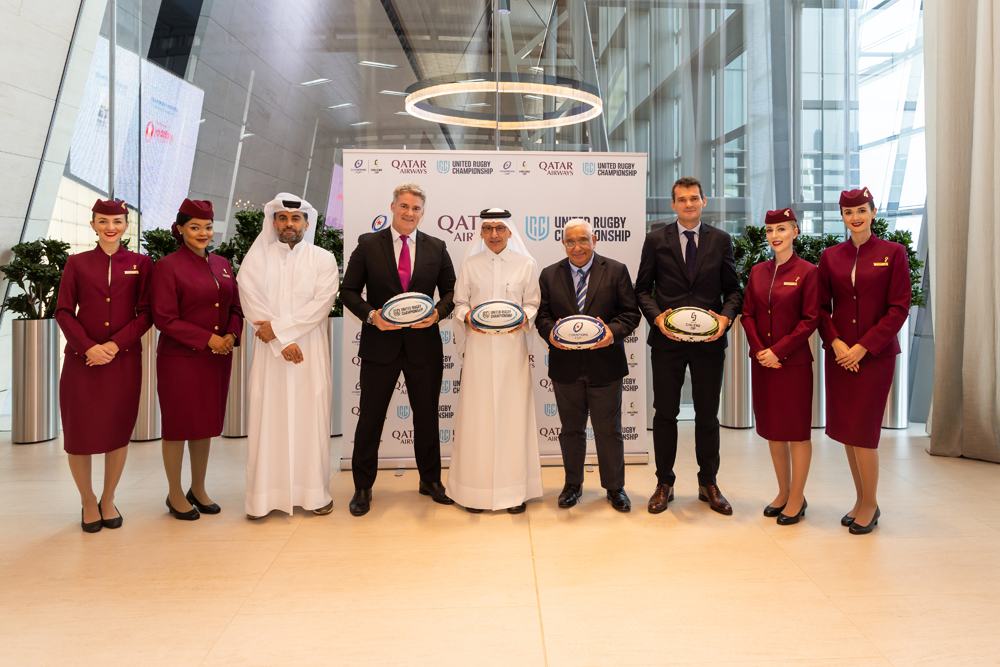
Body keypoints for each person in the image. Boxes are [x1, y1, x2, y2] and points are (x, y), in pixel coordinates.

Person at [340, 182, 456, 516]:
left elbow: (450, 291)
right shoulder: (367, 244)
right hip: (380, 346)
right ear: (392, 207)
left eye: (416, 208)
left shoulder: (437, 246)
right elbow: (348, 291)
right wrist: (372, 316)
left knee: (426, 417)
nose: (409, 213)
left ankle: (431, 481)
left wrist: (438, 313)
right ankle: (363, 488)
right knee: (371, 419)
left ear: (423, 212)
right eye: (404, 206)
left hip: (424, 347)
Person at [634, 176, 743, 515]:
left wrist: (725, 319)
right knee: (665, 413)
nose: (688, 204)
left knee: (708, 415)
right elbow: (642, 290)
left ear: (703, 201)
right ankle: (664, 483)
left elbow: (734, 291)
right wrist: (658, 318)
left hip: (710, 343)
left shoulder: (721, 240)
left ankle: (708, 483)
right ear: (673, 204)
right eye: (682, 199)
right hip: (667, 343)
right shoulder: (655, 240)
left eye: (694, 198)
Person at [237, 194, 340, 519]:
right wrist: (281, 342)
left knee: (310, 421)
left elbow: (321, 306)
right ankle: (263, 499)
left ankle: (314, 494)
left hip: (308, 355)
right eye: (282, 218)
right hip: (272, 358)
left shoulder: (322, 259)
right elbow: (252, 303)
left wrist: (281, 332)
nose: (289, 224)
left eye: (295, 219)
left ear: (306, 224)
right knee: (270, 421)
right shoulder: (257, 259)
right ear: (274, 222)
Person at [54, 199, 153, 532]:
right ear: (93, 224)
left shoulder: (142, 263)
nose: (111, 227)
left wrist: (113, 345)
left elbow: (146, 314)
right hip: (82, 363)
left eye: (118, 221)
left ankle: (108, 497)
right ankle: (87, 500)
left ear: (126, 225)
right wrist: (88, 348)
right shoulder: (77, 263)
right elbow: (64, 311)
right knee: (79, 434)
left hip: (123, 361)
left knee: (117, 431)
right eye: (103, 221)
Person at [818, 187, 910, 535]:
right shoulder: (830, 257)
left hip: (875, 357)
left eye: (860, 210)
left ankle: (870, 505)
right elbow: (820, 308)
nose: (854, 217)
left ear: (873, 212)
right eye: (847, 212)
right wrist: (838, 343)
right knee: (848, 431)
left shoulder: (893, 253)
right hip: (841, 356)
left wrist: (864, 347)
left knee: (865, 432)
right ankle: (860, 500)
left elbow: (899, 307)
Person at [535, 219, 641, 512]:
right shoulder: (548, 274)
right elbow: (541, 316)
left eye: (583, 240)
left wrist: (611, 333)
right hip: (565, 366)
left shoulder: (616, 270)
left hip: (605, 364)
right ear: (563, 243)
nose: (578, 247)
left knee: (609, 429)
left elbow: (630, 314)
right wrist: (551, 335)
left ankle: (615, 488)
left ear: (594, 239)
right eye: (571, 241)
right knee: (571, 430)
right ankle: (572, 484)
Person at [152, 198, 243, 521]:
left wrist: (231, 335)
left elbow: (235, 307)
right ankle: (175, 493)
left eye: (207, 227)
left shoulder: (221, 263)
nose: (203, 233)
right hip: (181, 359)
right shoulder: (167, 266)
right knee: (178, 426)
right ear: (180, 229)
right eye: (194, 227)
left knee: (204, 425)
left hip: (216, 358)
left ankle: (199, 488)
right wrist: (210, 339)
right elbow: (165, 318)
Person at [447, 208, 542, 514]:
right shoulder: (471, 265)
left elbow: (532, 305)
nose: (494, 234)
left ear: (510, 231)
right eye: (488, 228)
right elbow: (459, 303)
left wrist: (522, 318)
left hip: (512, 352)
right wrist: (467, 317)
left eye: (500, 228)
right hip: (478, 351)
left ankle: (514, 493)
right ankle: (474, 493)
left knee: (513, 419)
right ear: (481, 232)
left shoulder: (526, 264)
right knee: (478, 420)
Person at [740, 208, 820, 525]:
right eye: (771, 231)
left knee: (797, 433)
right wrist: (760, 350)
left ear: (795, 232)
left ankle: (798, 497)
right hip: (764, 364)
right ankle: (783, 491)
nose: (775, 236)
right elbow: (747, 314)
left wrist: (779, 351)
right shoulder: (758, 271)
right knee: (774, 430)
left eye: (782, 230)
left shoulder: (809, 272)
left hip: (794, 365)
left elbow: (810, 319)